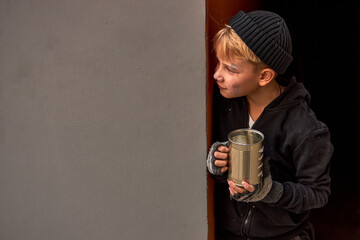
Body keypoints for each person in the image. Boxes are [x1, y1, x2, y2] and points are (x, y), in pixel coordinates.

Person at [207, 10, 333, 240]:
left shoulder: (306, 128)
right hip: (229, 233)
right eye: (219, 63)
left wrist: (271, 191)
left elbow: (318, 194)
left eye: (230, 69)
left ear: (264, 76)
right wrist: (218, 164)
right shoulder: (222, 105)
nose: (217, 74)